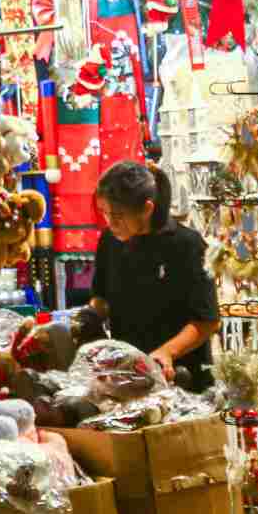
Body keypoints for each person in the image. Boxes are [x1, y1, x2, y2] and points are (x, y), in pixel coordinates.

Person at [86, 161, 220, 386]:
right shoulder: (109, 241)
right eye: (105, 213)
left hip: (183, 377)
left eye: (118, 215)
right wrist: (87, 320)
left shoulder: (187, 244)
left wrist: (166, 353)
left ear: (147, 209)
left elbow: (207, 321)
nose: (110, 222)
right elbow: (101, 298)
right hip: (128, 375)